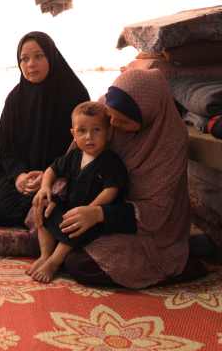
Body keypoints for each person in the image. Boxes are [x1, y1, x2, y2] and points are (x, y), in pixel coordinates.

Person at [31, 69, 208, 288]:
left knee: (79, 263)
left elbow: (155, 211)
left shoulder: (169, 141)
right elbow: (72, 164)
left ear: (147, 115)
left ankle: (184, 266)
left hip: (138, 226)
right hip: (90, 209)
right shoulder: (108, 112)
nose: (112, 124)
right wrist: (50, 194)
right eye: (110, 115)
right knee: (40, 229)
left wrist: (97, 213)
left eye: (122, 121)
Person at [0, 32, 90, 227]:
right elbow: (5, 147)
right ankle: (38, 210)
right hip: (25, 177)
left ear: (51, 55)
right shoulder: (15, 99)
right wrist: (19, 176)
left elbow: (84, 147)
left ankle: (39, 210)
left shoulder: (75, 95)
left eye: (38, 56)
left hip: (62, 174)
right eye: (24, 59)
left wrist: (50, 174)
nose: (30, 64)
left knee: (74, 202)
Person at [27, 101, 128, 283]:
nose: (89, 137)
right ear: (74, 134)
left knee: (76, 226)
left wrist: (90, 211)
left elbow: (111, 191)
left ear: (109, 132)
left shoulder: (111, 161)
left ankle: (54, 263)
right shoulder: (74, 155)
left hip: (94, 216)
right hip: (71, 208)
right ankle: (45, 255)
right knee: (43, 207)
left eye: (96, 130)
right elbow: (51, 170)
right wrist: (45, 188)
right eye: (82, 131)